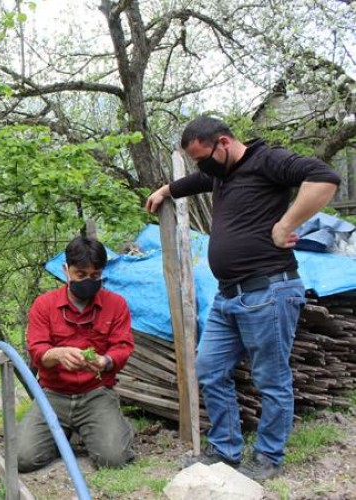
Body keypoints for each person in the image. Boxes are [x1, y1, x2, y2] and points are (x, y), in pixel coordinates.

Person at [145, 115, 341, 481]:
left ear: (223, 142)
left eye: (203, 157)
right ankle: (225, 450)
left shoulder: (268, 160)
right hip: (228, 297)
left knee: (271, 379)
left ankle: (268, 456)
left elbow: (325, 178)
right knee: (209, 369)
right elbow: (196, 181)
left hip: (268, 290)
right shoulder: (220, 172)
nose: (201, 167)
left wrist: (287, 224)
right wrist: (166, 190)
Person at [17, 235, 135, 472]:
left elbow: (123, 346)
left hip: (96, 393)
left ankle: (111, 426)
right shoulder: (44, 305)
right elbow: (37, 350)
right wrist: (57, 354)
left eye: (95, 276)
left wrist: (105, 361)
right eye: (81, 275)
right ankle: (63, 432)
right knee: (23, 459)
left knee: (114, 459)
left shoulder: (116, 304)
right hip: (53, 394)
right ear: (66, 270)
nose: (88, 281)